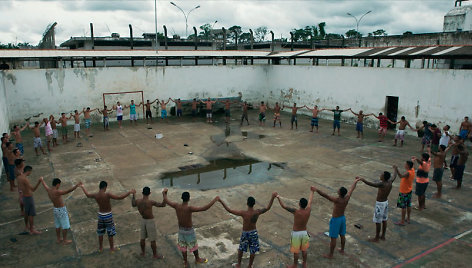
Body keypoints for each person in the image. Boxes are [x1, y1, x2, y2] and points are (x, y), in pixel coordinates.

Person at [218, 192, 277, 268]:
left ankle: (238, 264)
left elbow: (229, 210)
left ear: (247, 203)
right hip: (253, 233)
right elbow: (268, 207)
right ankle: (249, 266)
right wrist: (272, 197)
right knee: (253, 250)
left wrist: (220, 201)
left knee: (241, 249)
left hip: (245, 233)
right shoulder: (257, 212)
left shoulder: (244, 213)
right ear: (254, 204)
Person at [162, 188, 218, 267]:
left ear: (181, 198)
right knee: (194, 246)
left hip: (181, 231)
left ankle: (185, 262)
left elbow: (166, 200)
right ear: (189, 199)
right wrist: (214, 200)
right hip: (189, 231)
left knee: (183, 247)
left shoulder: (176, 206)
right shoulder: (189, 208)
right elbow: (204, 208)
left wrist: (164, 193)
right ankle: (197, 259)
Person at [80, 181, 135, 252]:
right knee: (110, 233)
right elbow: (119, 197)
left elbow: (87, 195)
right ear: (105, 187)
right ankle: (111, 248)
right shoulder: (107, 195)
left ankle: (100, 248)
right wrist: (129, 192)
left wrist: (82, 187)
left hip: (100, 215)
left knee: (100, 233)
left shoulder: (96, 195)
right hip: (108, 215)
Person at [314, 179, 360, 259]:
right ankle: (342, 250)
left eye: (338, 190)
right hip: (342, 218)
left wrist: (316, 189)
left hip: (336, 220)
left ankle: (330, 255)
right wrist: (355, 181)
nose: (337, 190)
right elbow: (352, 189)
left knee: (333, 238)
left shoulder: (337, 200)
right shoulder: (347, 198)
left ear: (340, 193)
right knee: (342, 235)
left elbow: (325, 195)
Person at [277, 187, 315, 268]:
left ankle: (294, 265)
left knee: (296, 251)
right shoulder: (308, 210)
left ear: (299, 204)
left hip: (296, 233)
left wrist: (278, 198)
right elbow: (310, 201)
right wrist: (312, 192)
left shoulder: (296, 211)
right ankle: (304, 264)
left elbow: (283, 206)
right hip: (304, 232)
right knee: (304, 250)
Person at [40, 178, 81, 244]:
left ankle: (58, 239)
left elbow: (45, 185)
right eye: (59, 185)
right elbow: (68, 191)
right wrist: (76, 186)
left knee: (57, 225)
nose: (59, 186)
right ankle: (64, 240)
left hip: (55, 209)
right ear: (57, 184)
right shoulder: (57, 192)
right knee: (65, 226)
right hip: (61, 210)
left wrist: (42, 180)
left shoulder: (49, 190)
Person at [359, 171, 396, 242]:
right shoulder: (390, 181)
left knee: (378, 221)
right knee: (384, 220)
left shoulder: (382, 184)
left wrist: (363, 180)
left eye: (381, 175)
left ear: (384, 178)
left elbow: (371, 184)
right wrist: (395, 169)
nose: (380, 176)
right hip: (385, 202)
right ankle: (383, 236)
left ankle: (376, 238)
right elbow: (394, 176)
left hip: (380, 204)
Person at [131, 187, 166, 259]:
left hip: (143, 220)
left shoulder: (138, 201)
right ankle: (155, 255)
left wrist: (133, 194)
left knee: (142, 238)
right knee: (152, 240)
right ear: (149, 193)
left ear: (142, 193)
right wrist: (164, 194)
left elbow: (133, 204)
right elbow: (163, 204)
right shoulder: (151, 202)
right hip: (150, 221)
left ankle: (143, 253)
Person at [17, 166, 42, 234]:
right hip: (28, 197)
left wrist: (20, 197)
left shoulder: (19, 177)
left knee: (26, 212)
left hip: (23, 197)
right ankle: (32, 229)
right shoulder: (25, 179)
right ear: (28, 171)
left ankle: (26, 226)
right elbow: (33, 189)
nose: (30, 173)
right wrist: (39, 181)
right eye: (30, 172)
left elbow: (19, 189)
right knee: (31, 214)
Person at [393, 161, 415, 226]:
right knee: (408, 205)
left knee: (403, 207)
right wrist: (413, 160)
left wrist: (396, 169)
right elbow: (413, 165)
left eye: (405, 164)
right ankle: (408, 218)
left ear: (408, 166)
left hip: (404, 192)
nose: (404, 165)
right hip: (409, 191)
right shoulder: (412, 170)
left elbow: (400, 176)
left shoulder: (408, 173)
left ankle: (402, 221)